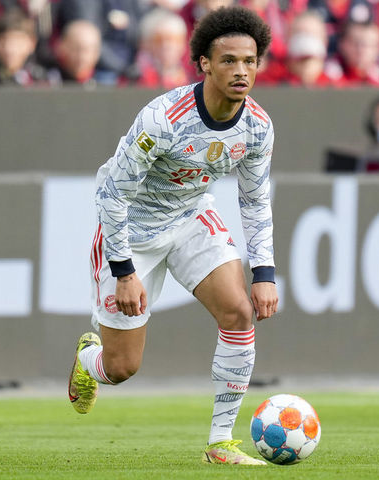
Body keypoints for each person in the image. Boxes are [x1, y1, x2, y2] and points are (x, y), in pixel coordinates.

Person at [67, 5, 278, 467]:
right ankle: (88, 359)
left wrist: (264, 271)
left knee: (239, 312)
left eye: (249, 61)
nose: (241, 71)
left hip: (190, 218)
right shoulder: (163, 118)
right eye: (228, 61)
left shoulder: (257, 127)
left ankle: (221, 442)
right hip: (132, 232)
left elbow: (254, 201)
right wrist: (124, 271)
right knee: (122, 368)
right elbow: (112, 195)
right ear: (204, 63)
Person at [0, 8, 48, 86]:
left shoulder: (43, 80)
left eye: (17, 42)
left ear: (32, 43)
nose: (9, 49)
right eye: (3, 41)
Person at [133, 8, 190, 88]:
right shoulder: (137, 78)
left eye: (174, 39)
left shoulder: (193, 79)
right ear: (148, 44)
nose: (166, 45)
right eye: (159, 39)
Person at [325, 19, 379, 87]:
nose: (361, 49)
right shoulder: (327, 74)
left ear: (378, 49)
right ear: (342, 44)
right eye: (355, 43)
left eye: (368, 44)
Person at [50, 19, 102, 86]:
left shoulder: (107, 82)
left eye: (87, 50)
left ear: (97, 53)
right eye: (76, 49)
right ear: (62, 47)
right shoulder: (48, 80)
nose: (81, 57)